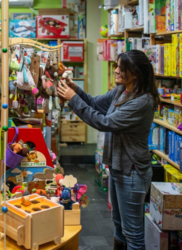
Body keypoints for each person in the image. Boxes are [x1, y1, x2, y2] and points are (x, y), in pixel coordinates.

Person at [57, 50, 159, 250]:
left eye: (122, 68)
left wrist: (72, 99)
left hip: (132, 172)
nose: (117, 70)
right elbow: (95, 103)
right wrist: (75, 90)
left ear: (136, 73)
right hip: (118, 167)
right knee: (119, 227)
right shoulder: (123, 90)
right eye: (117, 66)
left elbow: (104, 122)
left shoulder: (142, 101)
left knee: (133, 234)